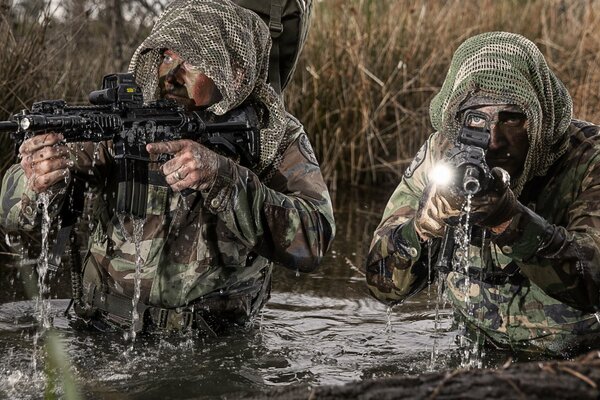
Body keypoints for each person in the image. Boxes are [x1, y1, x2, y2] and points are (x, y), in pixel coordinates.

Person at [0, 0, 335, 334]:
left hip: (215, 347)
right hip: (103, 330)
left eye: (191, 60)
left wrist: (225, 180)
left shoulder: (270, 132)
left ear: (235, 71)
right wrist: (37, 180)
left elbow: (314, 240)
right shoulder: (122, 121)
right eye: (167, 55)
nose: (170, 76)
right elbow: (11, 216)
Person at [366, 31, 600, 355]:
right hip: (476, 358)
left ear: (539, 117)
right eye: (477, 118)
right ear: (456, 119)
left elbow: (594, 280)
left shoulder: (589, 158)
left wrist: (511, 221)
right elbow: (382, 286)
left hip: (578, 364)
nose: (494, 139)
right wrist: (418, 231)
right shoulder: (441, 155)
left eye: (512, 118)